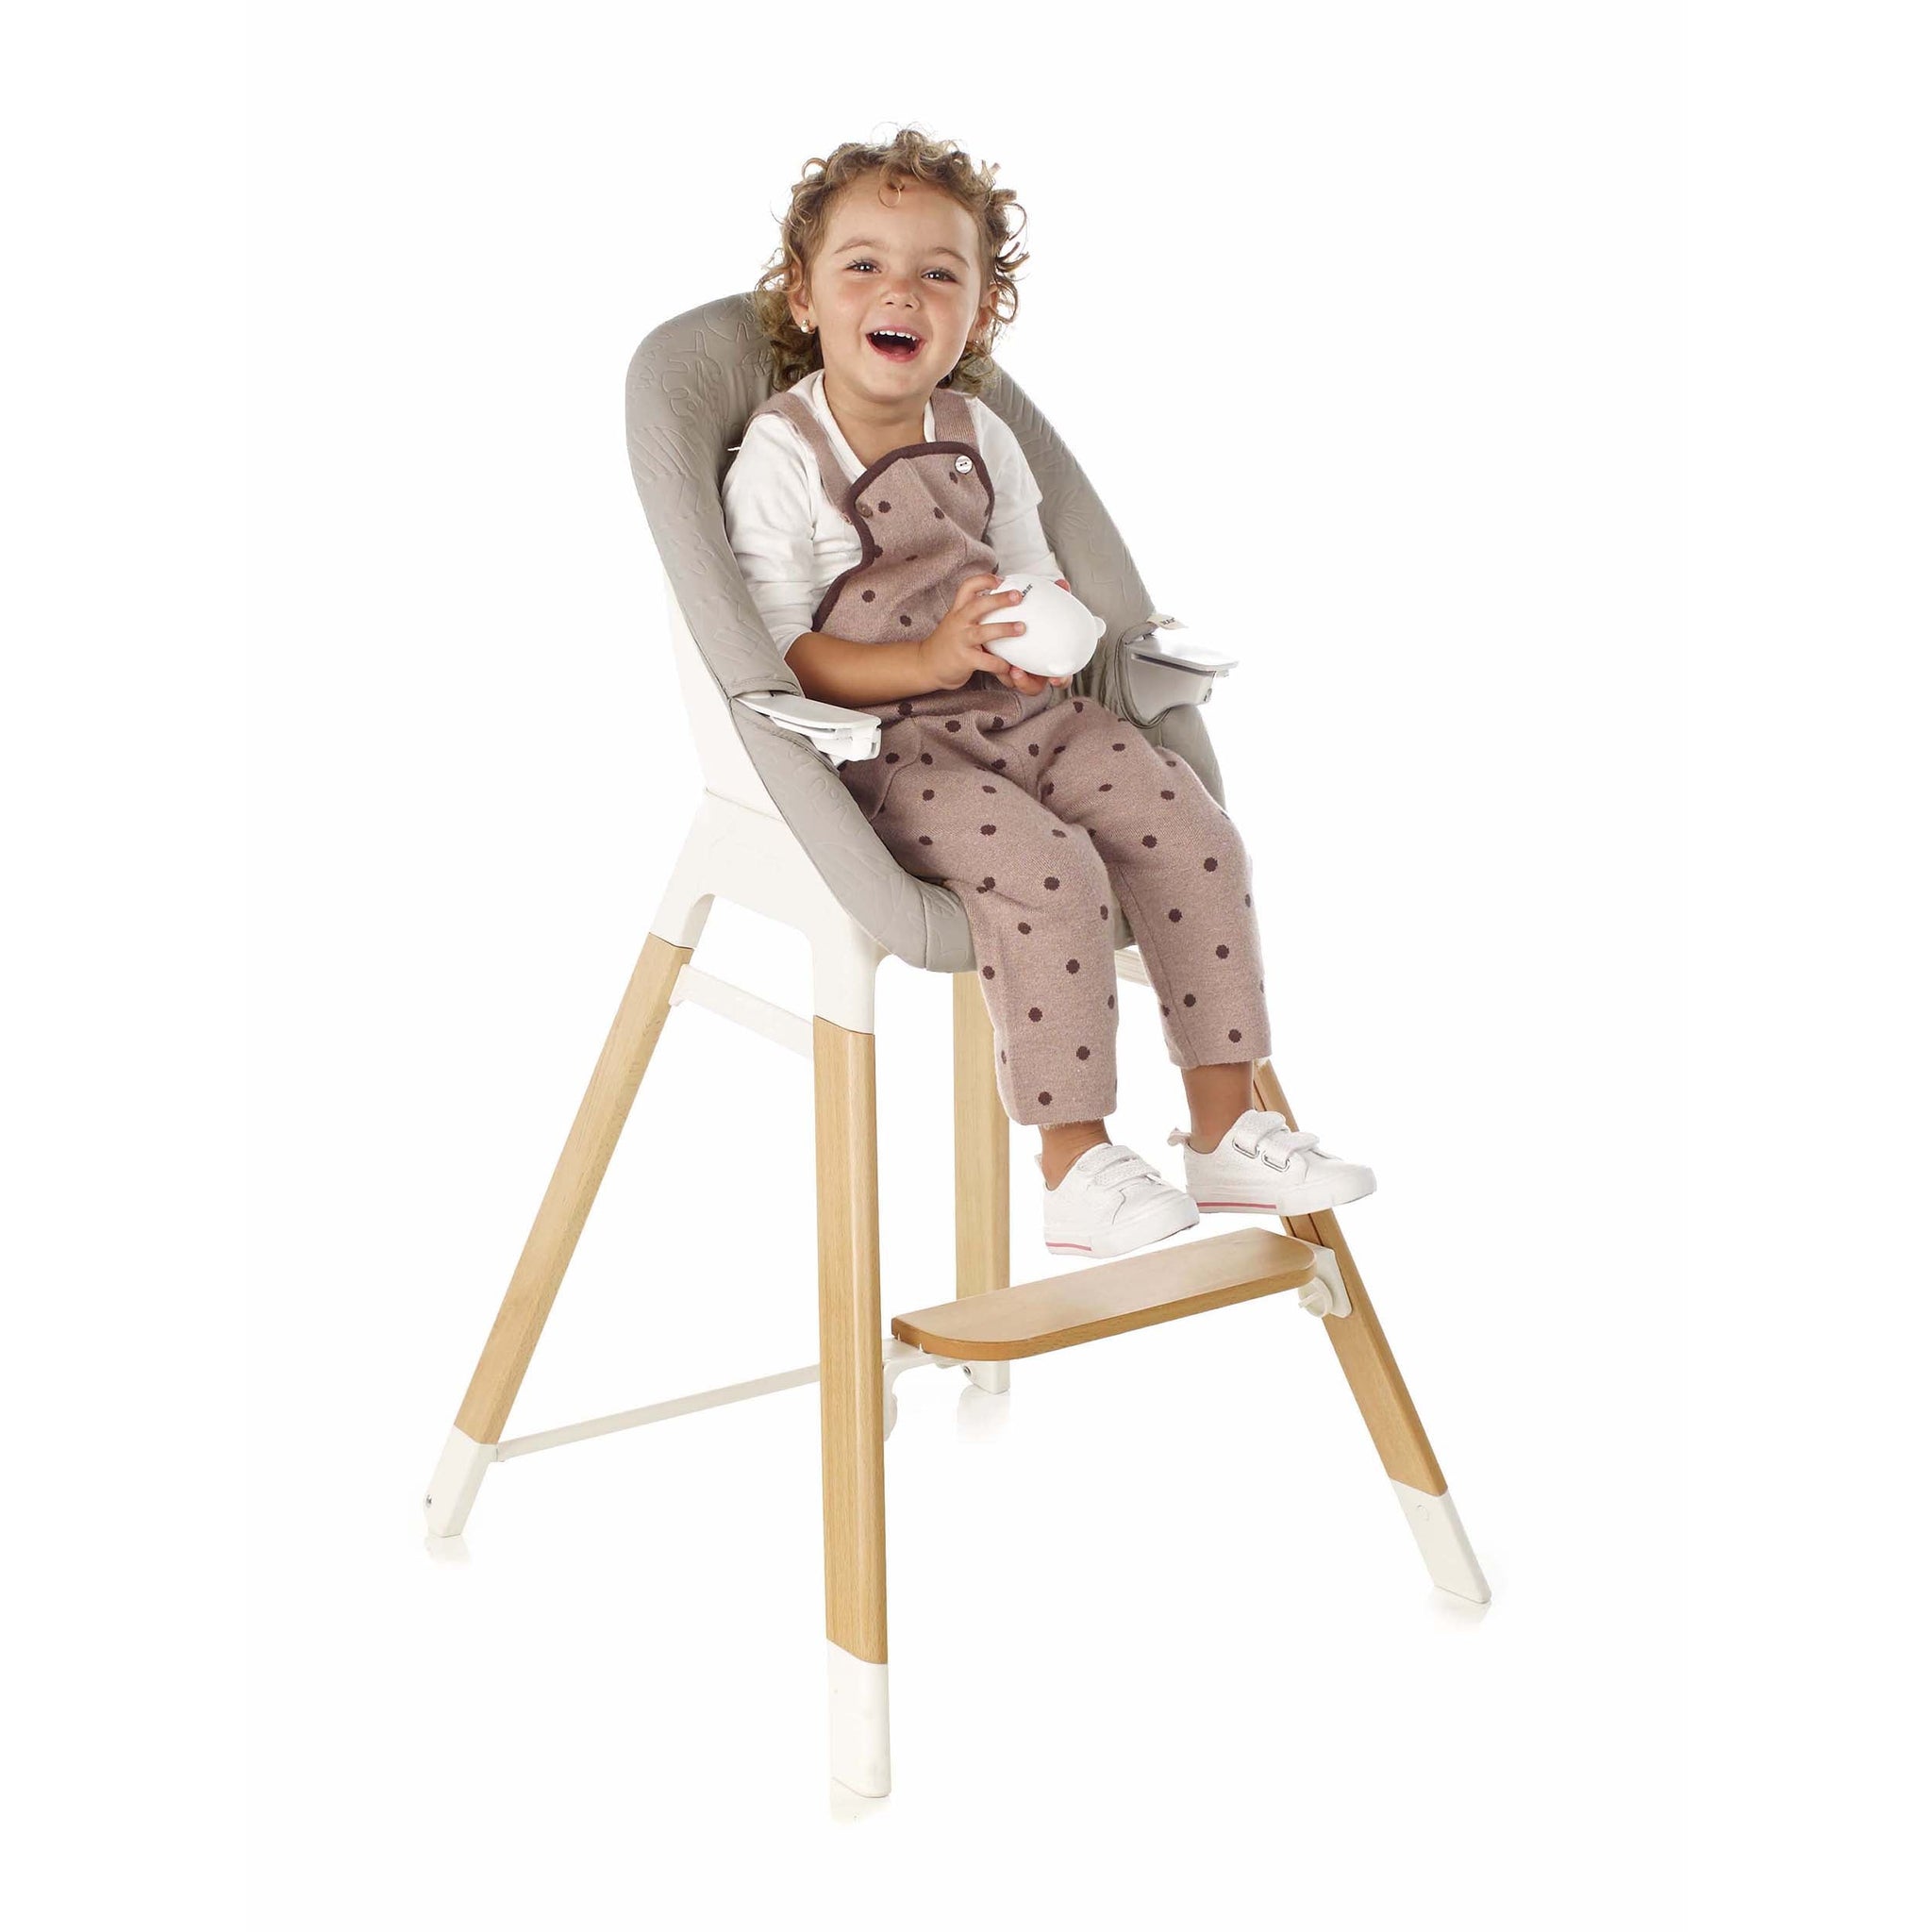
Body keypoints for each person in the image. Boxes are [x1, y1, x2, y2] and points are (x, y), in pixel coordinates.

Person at [722, 128, 1374, 1258]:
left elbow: (1029, 580)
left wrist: (1037, 645)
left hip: (1022, 712)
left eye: (940, 271)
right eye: (863, 265)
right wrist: (927, 663)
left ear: (977, 315)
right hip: (890, 746)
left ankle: (1227, 1126)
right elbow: (788, 655)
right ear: (804, 295)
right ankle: (1073, 1162)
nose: (902, 291)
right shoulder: (783, 455)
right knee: (1049, 867)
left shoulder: (984, 437)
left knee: (1193, 828)